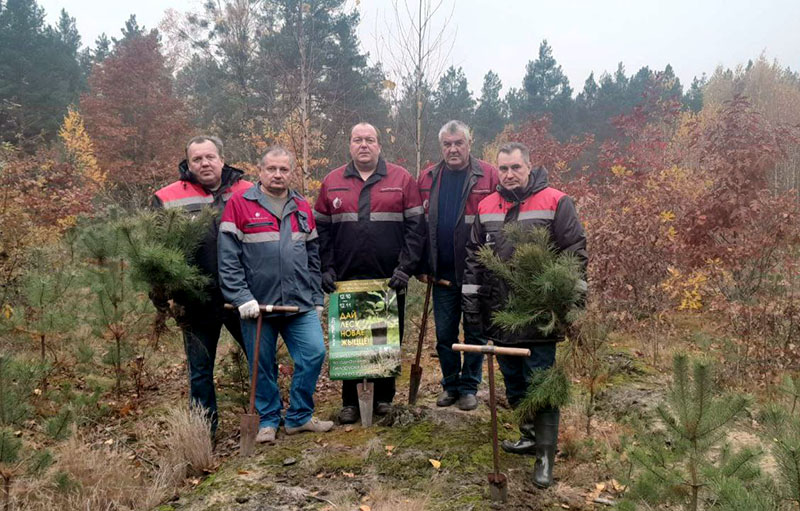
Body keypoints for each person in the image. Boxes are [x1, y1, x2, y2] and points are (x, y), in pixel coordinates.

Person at [462, 142, 587, 488]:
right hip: (500, 314)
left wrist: (571, 302)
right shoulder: (487, 206)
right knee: (514, 382)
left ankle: (546, 455)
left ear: (529, 167)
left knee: (541, 384)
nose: (509, 175)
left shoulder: (556, 202)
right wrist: (471, 305)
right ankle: (529, 434)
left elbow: (575, 251)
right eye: (503, 169)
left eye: (516, 167)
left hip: (539, 315)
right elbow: (474, 258)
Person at [218, 146, 332, 444]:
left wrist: (316, 297)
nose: (278, 174)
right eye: (272, 169)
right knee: (261, 363)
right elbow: (228, 258)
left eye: (284, 169)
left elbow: (313, 255)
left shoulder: (301, 205)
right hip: (257, 305)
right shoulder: (239, 204)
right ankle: (268, 419)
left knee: (314, 353)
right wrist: (241, 297)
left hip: (299, 303)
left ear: (291, 172)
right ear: (260, 170)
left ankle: (298, 417)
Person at [314, 122, 426, 424]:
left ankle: (384, 398)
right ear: (350, 145)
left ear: (379, 145)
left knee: (384, 338)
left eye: (370, 140)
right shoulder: (332, 181)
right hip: (346, 281)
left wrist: (406, 267)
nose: (364, 145)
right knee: (350, 338)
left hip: (388, 280)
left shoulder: (401, 179)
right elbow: (320, 232)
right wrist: (326, 268)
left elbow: (416, 230)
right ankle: (350, 400)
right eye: (357, 140)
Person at [152, 135, 252, 438]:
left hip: (242, 297)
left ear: (222, 159)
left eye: (210, 157)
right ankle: (204, 433)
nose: (204, 163)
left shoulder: (249, 191)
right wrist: (162, 296)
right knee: (200, 372)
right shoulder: (167, 197)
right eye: (197, 159)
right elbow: (157, 252)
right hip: (195, 300)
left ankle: (269, 418)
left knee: (260, 360)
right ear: (188, 163)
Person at [417, 120, 499, 411]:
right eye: (447, 144)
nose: (453, 149)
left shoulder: (489, 176)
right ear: (441, 147)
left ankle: (469, 387)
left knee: (475, 332)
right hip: (442, 274)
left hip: (477, 273)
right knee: (444, 335)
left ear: (469, 143)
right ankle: (450, 385)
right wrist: (421, 264)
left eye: (458, 143)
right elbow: (420, 227)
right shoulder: (428, 178)